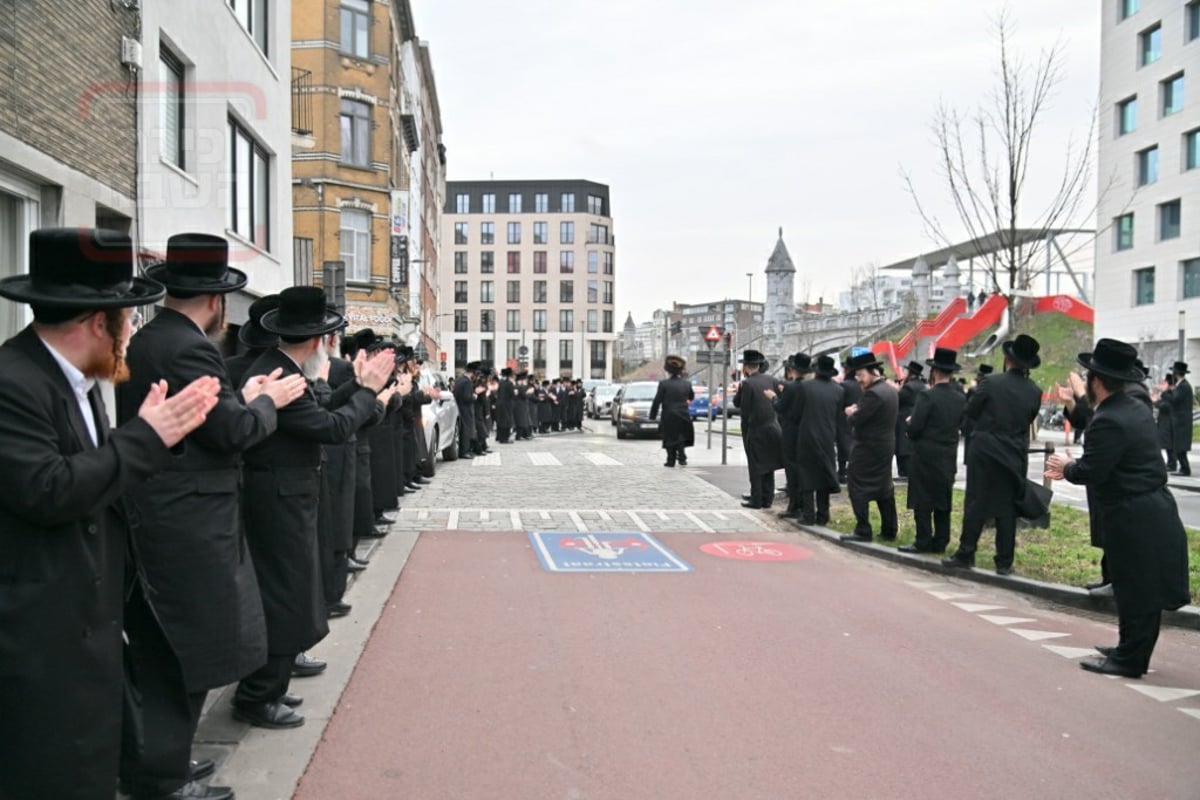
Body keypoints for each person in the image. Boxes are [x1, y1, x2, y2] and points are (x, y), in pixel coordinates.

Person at [0, 227, 220, 800]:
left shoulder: (78, 378)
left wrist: (150, 437)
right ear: (101, 322)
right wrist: (146, 437)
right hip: (41, 630)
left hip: (88, 616)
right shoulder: (12, 381)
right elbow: (47, 489)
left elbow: (99, 465)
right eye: (127, 318)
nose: (132, 333)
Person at [116, 234, 307, 800]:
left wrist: (242, 394)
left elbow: (207, 414)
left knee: (159, 650)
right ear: (217, 300)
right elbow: (234, 433)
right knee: (186, 651)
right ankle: (161, 778)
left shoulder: (151, 336)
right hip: (188, 519)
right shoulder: (193, 347)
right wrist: (270, 401)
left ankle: (160, 761)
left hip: (154, 509)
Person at [233, 287, 397, 730]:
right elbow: (329, 426)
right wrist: (366, 391)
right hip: (278, 498)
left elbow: (319, 406)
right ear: (315, 342)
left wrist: (352, 386)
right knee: (284, 592)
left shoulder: (283, 367)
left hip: (288, 495)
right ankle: (259, 694)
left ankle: (273, 685)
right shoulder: (279, 373)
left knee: (291, 590)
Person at [1045, 339, 1191, 678]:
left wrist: (1066, 466)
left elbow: (1093, 470)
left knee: (1137, 590)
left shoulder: (1110, 418)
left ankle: (1130, 659)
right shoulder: (1133, 406)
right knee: (1133, 586)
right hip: (1148, 509)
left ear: (1096, 380)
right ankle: (1128, 649)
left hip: (1133, 515)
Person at [943, 334, 1043, 576]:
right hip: (1014, 453)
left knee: (976, 501)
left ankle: (966, 553)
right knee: (1008, 507)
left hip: (985, 449)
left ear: (1008, 359)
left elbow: (971, 410)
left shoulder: (990, 382)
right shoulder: (1035, 391)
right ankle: (1004, 561)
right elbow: (1028, 419)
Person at [900, 348, 966, 554]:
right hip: (948, 454)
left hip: (925, 455)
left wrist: (909, 424)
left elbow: (916, 427)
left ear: (934, 372)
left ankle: (923, 540)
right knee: (942, 499)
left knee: (922, 500)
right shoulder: (960, 397)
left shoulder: (927, 396)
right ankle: (941, 540)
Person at [840, 349, 899, 542]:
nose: (859, 380)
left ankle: (863, 529)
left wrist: (851, 412)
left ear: (873, 372)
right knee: (884, 487)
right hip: (885, 445)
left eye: (861, 375)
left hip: (867, 448)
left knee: (856, 485)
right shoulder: (890, 390)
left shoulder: (873, 394)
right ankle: (889, 529)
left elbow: (857, 419)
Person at [794, 355, 842, 525]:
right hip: (827, 437)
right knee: (824, 475)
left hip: (807, 436)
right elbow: (839, 416)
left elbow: (796, 413)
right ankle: (823, 515)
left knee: (806, 475)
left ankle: (808, 515)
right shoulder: (838, 390)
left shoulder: (805, 387)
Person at [734, 349, 783, 508]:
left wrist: (746, 433)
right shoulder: (772, 380)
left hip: (756, 430)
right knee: (769, 466)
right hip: (773, 428)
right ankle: (767, 499)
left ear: (746, 367)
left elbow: (744, 410)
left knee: (755, 467)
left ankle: (756, 500)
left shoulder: (747, 383)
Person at [768, 352, 810, 517]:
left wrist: (773, 397)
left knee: (791, 469)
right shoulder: (808, 386)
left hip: (790, 431)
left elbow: (780, 407)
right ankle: (802, 504)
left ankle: (794, 506)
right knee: (801, 467)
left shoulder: (790, 387)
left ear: (792, 370)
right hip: (804, 430)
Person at [649, 354, 695, 467]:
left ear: (668, 370)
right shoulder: (687, 383)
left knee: (669, 437)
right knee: (681, 437)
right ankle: (682, 457)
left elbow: (657, 400)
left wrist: (653, 415)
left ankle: (671, 460)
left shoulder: (664, 384)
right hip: (683, 413)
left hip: (669, 415)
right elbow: (691, 396)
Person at [895, 361, 926, 480]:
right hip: (916, 414)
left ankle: (903, 471)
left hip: (904, 416)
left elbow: (898, 399)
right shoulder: (922, 385)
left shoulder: (908, 387)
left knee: (902, 444)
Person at [836, 361, 862, 484]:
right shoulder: (860, 385)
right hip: (858, 418)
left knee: (843, 447)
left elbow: (838, 404)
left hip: (844, 419)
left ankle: (842, 473)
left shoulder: (844, 386)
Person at [1168, 361, 1193, 475]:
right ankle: (1183, 467)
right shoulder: (1181, 385)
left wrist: (1168, 392)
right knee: (1178, 445)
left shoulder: (1183, 386)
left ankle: (1185, 468)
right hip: (1180, 420)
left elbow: (1175, 400)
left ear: (1176, 373)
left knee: (1180, 446)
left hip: (1182, 421)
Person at [1156, 373, 1177, 471]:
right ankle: (1170, 462)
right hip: (1165, 421)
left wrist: (1156, 401)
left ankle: (1172, 463)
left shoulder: (1168, 395)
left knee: (1169, 445)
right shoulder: (1167, 394)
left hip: (1167, 422)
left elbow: (1165, 406)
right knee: (1168, 445)